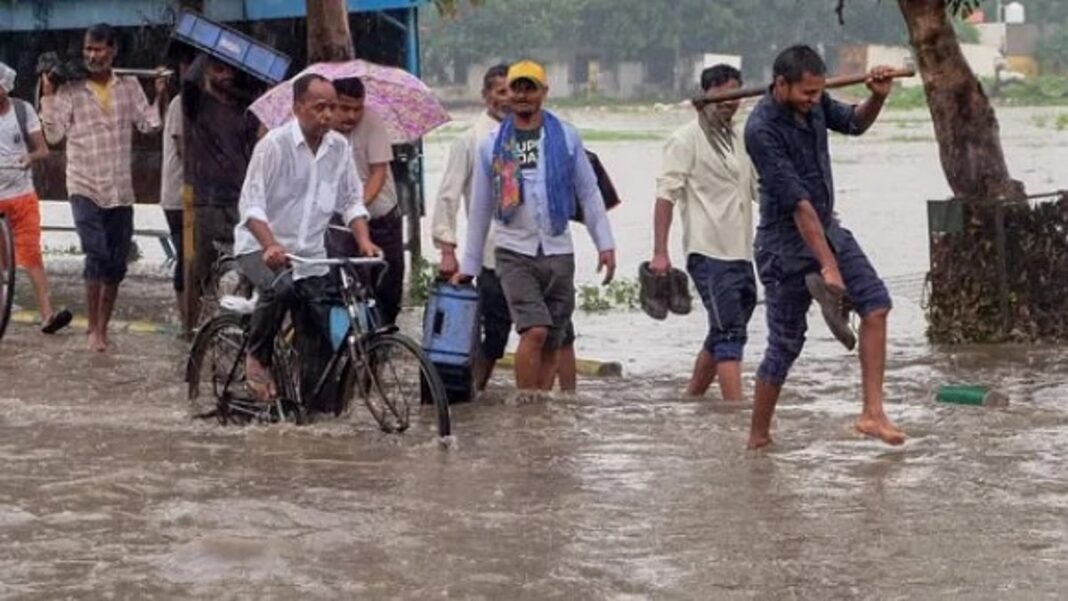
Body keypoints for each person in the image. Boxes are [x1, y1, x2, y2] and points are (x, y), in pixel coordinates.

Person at [743, 45, 905, 448]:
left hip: (828, 229)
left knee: (877, 305)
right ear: (781, 84)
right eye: (807, 93)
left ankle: (872, 414)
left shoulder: (815, 103)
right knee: (785, 344)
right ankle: (758, 437)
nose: (814, 100)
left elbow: (853, 123)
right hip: (783, 245)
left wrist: (877, 98)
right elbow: (798, 205)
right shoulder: (760, 129)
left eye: (819, 92)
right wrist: (828, 267)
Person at [452, 60, 616, 392]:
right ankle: (526, 404)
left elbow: (588, 192)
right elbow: (481, 208)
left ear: (544, 92)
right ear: (509, 93)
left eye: (531, 88)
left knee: (553, 338)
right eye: (517, 88)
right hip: (513, 251)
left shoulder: (566, 137)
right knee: (535, 330)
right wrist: (469, 265)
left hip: (558, 249)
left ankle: (539, 411)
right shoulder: (492, 144)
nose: (523, 95)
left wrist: (605, 244)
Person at [234, 74, 378, 408]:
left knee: (319, 327)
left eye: (333, 107)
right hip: (260, 246)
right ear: (298, 107)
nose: (328, 115)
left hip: (310, 255)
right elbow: (251, 205)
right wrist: (270, 244)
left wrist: (364, 240)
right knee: (281, 287)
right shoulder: (274, 145)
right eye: (320, 107)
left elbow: (351, 201)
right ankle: (257, 358)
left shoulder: (339, 148)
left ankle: (314, 411)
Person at [40, 23, 165, 351]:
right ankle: (93, 329)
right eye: (88, 49)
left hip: (120, 188)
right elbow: (53, 135)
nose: (92, 55)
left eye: (98, 49)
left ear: (113, 50)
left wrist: (160, 94)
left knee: (117, 263)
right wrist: (48, 94)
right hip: (83, 184)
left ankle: (103, 327)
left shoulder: (129, 85)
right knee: (95, 253)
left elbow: (149, 125)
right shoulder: (71, 88)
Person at [650, 64, 757, 401]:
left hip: (741, 251)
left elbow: (759, 189)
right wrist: (660, 252)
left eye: (735, 95)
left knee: (725, 327)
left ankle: (692, 398)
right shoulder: (685, 139)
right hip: (708, 252)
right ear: (705, 95)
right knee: (730, 332)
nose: (729, 102)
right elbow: (666, 195)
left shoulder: (741, 138)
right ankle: (735, 414)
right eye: (721, 95)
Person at [430, 63, 513, 390]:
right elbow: (447, 196)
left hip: (529, 251)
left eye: (512, 90)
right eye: (500, 91)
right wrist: (447, 250)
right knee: (494, 333)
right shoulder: (469, 141)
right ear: (486, 95)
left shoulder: (529, 137)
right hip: (490, 253)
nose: (506, 98)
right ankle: (476, 391)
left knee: (546, 330)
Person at [182, 53, 261, 320]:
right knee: (201, 268)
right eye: (218, 70)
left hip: (240, 199)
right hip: (205, 200)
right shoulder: (198, 104)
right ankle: (194, 328)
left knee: (245, 266)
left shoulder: (246, 110)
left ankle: (236, 324)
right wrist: (209, 47)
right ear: (206, 71)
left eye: (229, 70)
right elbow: (189, 81)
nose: (225, 76)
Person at [0, 61, 72, 334]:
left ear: (5, 87)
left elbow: (43, 150)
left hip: (22, 197)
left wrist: (29, 157)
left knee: (31, 254)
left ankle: (47, 315)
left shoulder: (22, 111)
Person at [331, 77, 404, 327]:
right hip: (341, 225)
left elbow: (378, 173)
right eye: (344, 108)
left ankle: (384, 338)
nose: (351, 116)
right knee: (349, 289)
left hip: (382, 219)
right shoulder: (322, 131)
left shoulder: (372, 122)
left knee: (388, 289)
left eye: (357, 108)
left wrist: (358, 208)